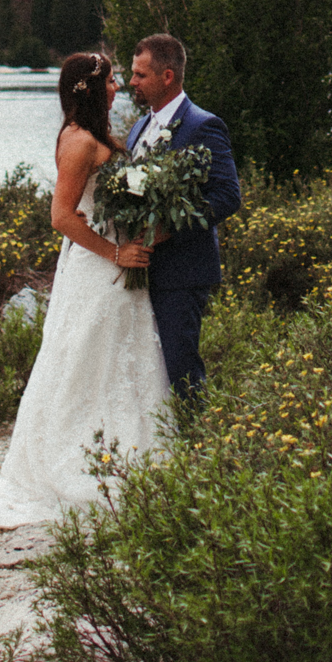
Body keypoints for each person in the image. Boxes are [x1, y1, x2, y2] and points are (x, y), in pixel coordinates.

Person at [0, 49, 170, 530]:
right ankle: (81, 463)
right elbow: (60, 216)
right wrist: (115, 253)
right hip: (100, 270)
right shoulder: (79, 141)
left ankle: (134, 452)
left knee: (114, 358)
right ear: (91, 88)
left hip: (118, 265)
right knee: (84, 360)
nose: (118, 87)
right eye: (112, 81)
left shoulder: (94, 136)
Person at [128, 32, 241, 399]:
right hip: (140, 270)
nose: (132, 82)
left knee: (181, 368)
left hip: (182, 270)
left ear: (167, 77)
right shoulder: (139, 129)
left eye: (140, 75)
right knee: (146, 370)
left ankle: (197, 442)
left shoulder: (203, 126)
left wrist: (168, 230)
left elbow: (227, 196)